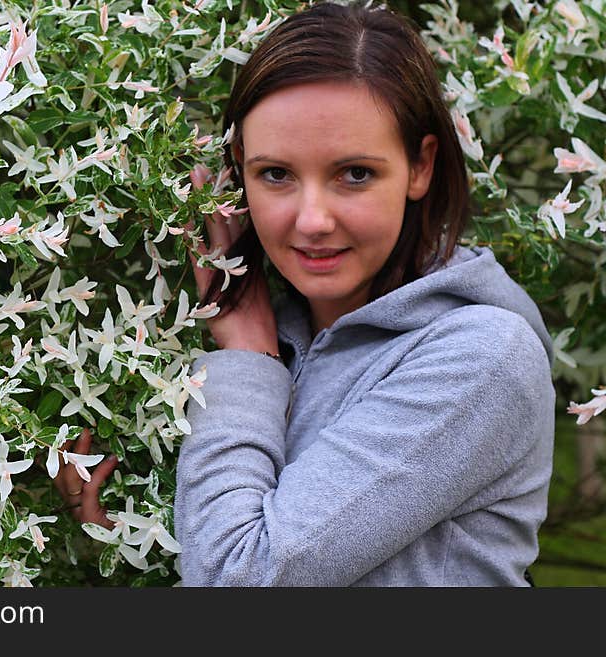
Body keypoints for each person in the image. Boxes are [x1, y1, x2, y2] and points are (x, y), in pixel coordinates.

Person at [172, 1, 555, 586]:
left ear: (420, 167)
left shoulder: (482, 357)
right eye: (276, 173)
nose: (312, 220)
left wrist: (246, 358)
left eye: (354, 173)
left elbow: (238, 578)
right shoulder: (283, 328)